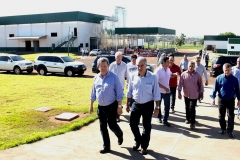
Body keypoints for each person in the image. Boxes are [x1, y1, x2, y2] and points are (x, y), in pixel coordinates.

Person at [126, 57, 160, 155]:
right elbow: (129, 91)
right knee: (132, 124)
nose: (139, 68)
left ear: (146, 65)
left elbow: (157, 93)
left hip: (148, 105)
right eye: (138, 65)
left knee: (146, 126)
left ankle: (144, 146)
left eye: (141, 65)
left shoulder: (152, 77)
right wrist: (128, 104)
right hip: (135, 104)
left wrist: (157, 107)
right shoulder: (133, 76)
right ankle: (138, 140)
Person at [89, 57, 124, 153]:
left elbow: (120, 93)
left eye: (105, 66)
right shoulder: (96, 78)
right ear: (98, 67)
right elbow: (93, 93)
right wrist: (91, 105)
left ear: (108, 66)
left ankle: (119, 134)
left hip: (112, 106)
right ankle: (106, 147)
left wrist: (119, 106)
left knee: (112, 125)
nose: (104, 68)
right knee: (102, 127)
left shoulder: (114, 77)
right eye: (101, 66)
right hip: (101, 107)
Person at [211, 63, 240, 138]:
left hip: (231, 99)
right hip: (221, 99)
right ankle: (223, 129)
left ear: (231, 70)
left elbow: (237, 90)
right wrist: (213, 98)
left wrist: (239, 100)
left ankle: (230, 131)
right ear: (223, 70)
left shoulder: (234, 79)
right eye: (225, 70)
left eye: (228, 70)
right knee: (221, 115)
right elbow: (215, 89)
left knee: (231, 116)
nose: (226, 72)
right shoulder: (219, 78)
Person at [178, 61, 204, 129]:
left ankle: (192, 122)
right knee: (187, 107)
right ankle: (187, 118)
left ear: (194, 67)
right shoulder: (183, 74)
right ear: (188, 66)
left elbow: (201, 85)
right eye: (189, 66)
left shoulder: (197, 75)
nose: (191, 67)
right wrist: (179, 93)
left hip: (194, 94)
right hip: (186, 94)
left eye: (192, 66)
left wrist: (201, 93)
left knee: (192, 108)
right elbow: (180, 84)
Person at [109, 52, 127, 122]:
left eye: (120, 58)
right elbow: (109, 74)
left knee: (119, 100)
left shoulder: (124, 65)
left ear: (121, 58)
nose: (118, 59)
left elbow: (127, 76)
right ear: (115, 58)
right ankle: (115, 114)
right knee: (114, 101)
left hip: (121, 86)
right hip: (112, 86)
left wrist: (128, 84)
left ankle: (117, 116)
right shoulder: (112, 65)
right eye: (117, 58)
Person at [154, 56, 172, 127]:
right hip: (159, 92)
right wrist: (164, 88)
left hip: (167, 92)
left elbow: (170, 75)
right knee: (158, 105)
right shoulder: (158, 70)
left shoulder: (168, 69)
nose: (169, 63)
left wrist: (175, 74)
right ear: (163, 62)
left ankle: (165, 120)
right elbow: (156, 82)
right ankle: (159, 117)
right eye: (167, 61)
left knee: (167, 106)